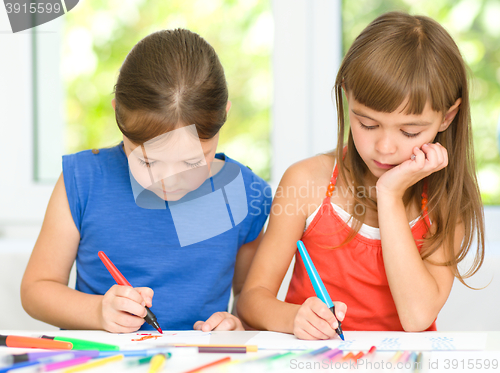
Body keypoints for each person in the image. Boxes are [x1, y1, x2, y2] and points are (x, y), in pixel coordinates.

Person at [237, 11, 485, 339]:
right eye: (367, 124)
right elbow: (252, 299)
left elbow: (416, 316)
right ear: (346, 97)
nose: (384, 147)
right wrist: (293, 316)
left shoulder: (447, 200)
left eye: (410, 131)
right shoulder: (306, 182)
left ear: (447, 117)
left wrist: (390, 195)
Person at [21, 29, 271, 333]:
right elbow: (36, 289)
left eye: (192, 161)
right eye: (149, 161)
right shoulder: (83, 180)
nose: (168, 181)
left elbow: (251, 298)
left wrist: (238, 324)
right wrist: (97, 312)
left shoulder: (243, 193)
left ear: (224, 116)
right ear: (119, 117)